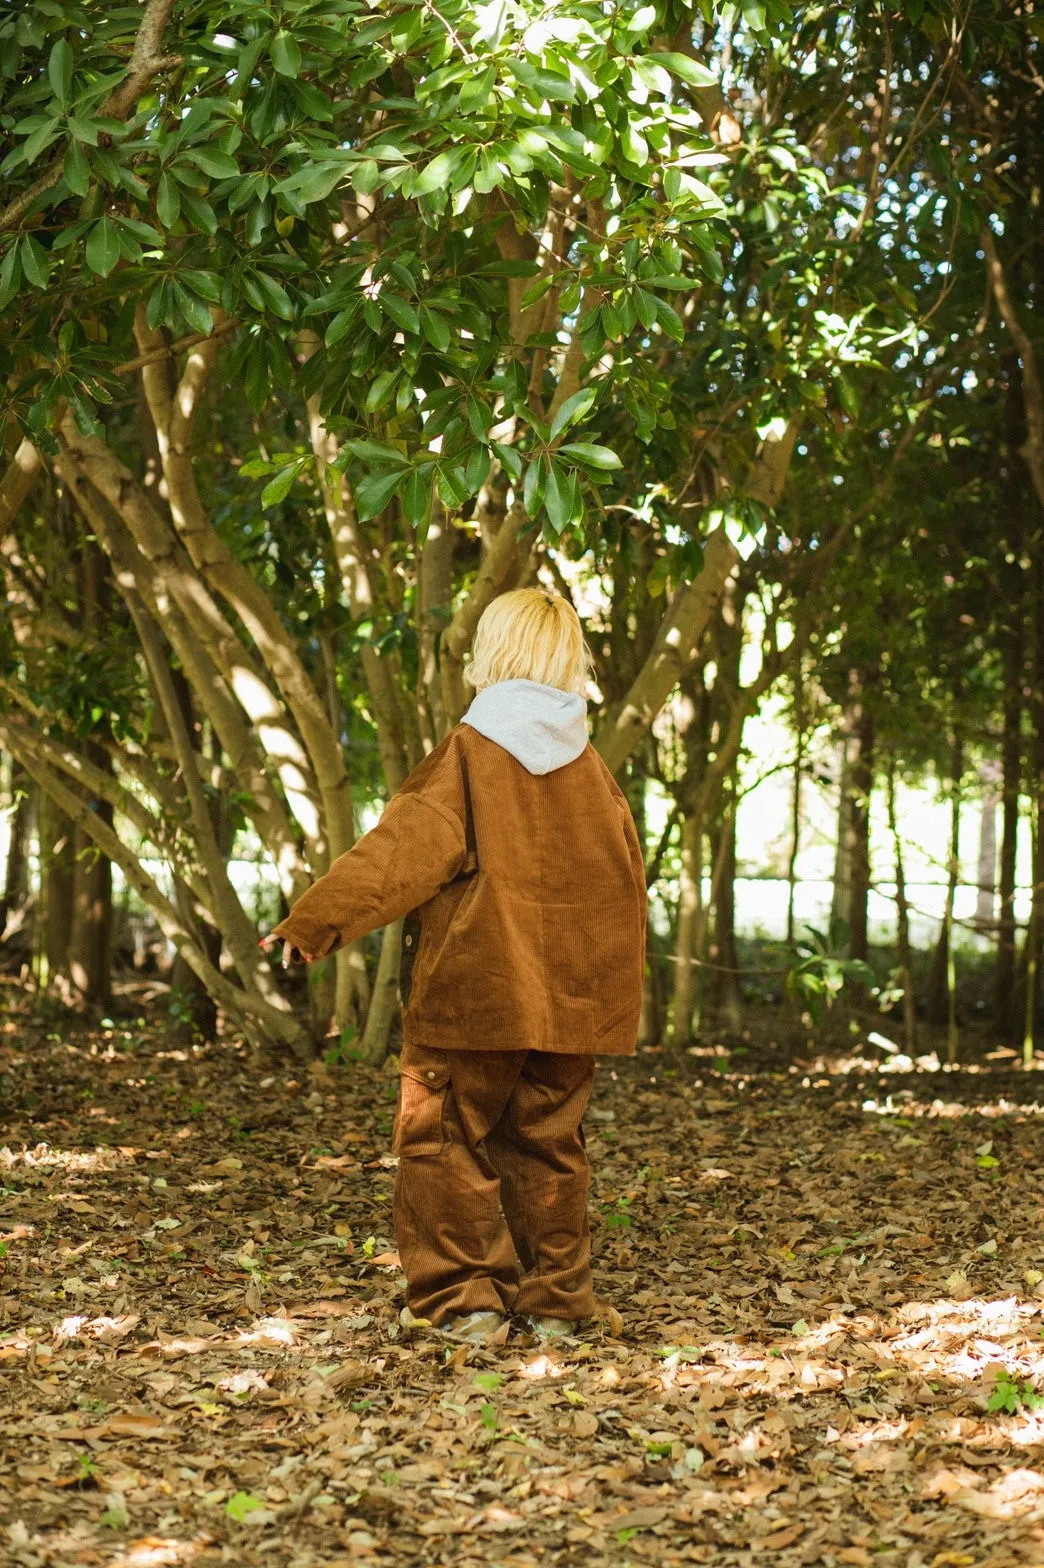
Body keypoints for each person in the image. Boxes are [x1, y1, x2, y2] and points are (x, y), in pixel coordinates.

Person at [262, 587, 646, 1344]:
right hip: (570, 1006)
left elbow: (402, 852)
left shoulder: (470, 753)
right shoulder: (593, 771)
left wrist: (316, 921)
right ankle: (556, 1306)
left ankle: (464, 1303)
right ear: (569, 659)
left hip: (474, 994)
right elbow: (623, 883)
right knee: (550, 1145)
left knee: (442, 1139)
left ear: (492, 653)